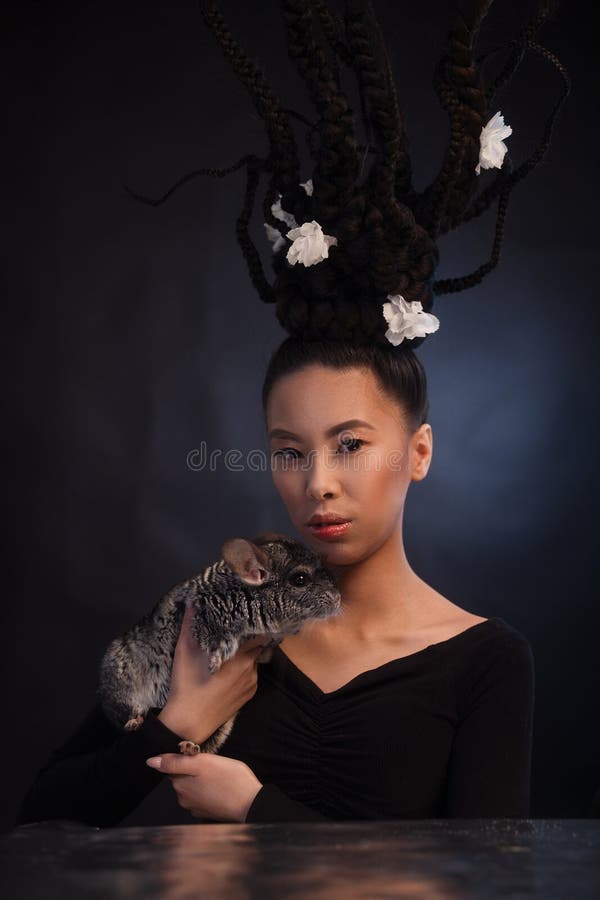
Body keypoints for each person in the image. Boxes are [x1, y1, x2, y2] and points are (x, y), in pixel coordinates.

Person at [15, 0, 569, 828]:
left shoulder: (486, 661)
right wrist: (180, 721)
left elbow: (490, 878)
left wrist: (256, 808)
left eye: (351, 444)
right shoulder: (218, 622)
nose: (318, 485)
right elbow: (42, 814)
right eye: (288, 450)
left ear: (418, 452)